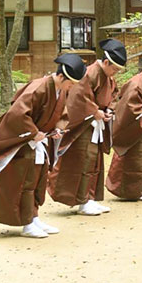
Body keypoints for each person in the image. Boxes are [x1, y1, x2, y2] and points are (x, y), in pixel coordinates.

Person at [0, 54, 86, 238]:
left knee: (38, 179)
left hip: (39, 141)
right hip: (25, 142)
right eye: (71, 84)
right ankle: (27, 223)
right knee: (26, 181)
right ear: (61, 77)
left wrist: (57, 128)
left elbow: (61, 114)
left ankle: (34, 217)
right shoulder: (39, 87)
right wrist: (33, 132)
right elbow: (17, 113)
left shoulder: (60, 90)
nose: (71, 88)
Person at [48, 39, 125, 216]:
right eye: (114, 69)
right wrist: (94, 111)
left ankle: (90, 198)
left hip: (95, 123)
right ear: (106, 62)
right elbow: (77, 96)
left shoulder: (106, 76)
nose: (115, 73)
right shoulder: (90, 73)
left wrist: (108, 111)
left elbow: (114, 95)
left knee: (95, 161)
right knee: (84, 161)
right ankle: (82, 201)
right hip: (84, 124)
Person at [106, 51, 142, 201]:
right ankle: (130, 191)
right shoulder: (136, 84)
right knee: (135, 158)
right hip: (135, 127)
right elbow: (131, 108)